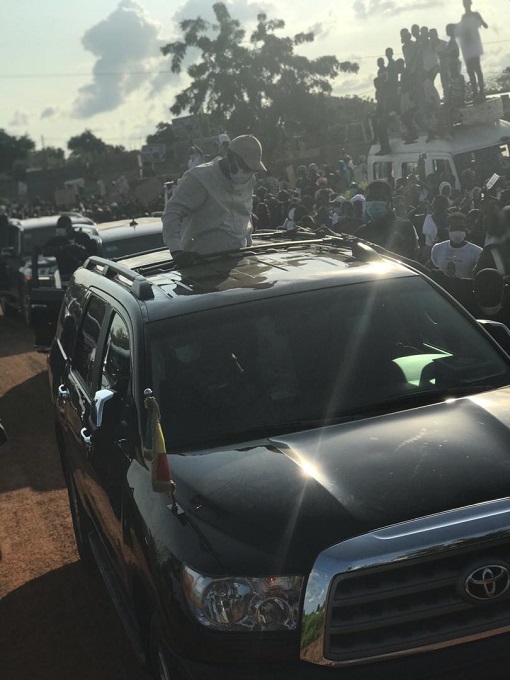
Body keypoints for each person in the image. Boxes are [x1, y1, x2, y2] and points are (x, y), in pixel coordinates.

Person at [162, 135, 266, 265]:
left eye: (252, 170)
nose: (247, 173)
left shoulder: (249, 180)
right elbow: (172, 212)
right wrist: (176, 251)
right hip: (202, 266)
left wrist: (249, 247)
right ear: (230, 156)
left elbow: (245, 215)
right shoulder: (199, 178)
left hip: (239, 263)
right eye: (244, 168)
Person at [355, 180, 419, 260]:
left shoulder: (403, 227)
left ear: (390, 203)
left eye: (378, 198)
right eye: (369, 199)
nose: (373, 203)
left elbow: (410, 257)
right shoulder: (362, 231)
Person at [430, 212, 482, 278]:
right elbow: (432, 271)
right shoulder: (438, 248)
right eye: (454, 227)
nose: (457, 230)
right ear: (448, 229)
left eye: (460, 228)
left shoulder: (476, 252)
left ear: (466, 229)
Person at [456, 0, 488, 101]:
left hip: (474, 46)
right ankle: (475, 91)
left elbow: (484, 25)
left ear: (470, 4)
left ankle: (481, 90)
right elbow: (461, 30)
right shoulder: (463, 17)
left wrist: (480, 22)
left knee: (477, 69)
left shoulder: (475, 14)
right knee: (470, 70)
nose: (465, 5)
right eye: (464, 4)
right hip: (467, 47)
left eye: (467, 3)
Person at [42, 215, 88, 284]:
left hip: (83, 274)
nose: (59, 230)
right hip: (64, 275)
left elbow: (90, 253)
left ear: (69, 228)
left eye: (61, 227)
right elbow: (45, 251)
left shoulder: (82, 237)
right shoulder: (55, 240)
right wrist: (62, 248)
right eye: (58, 227)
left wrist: (78, 249)